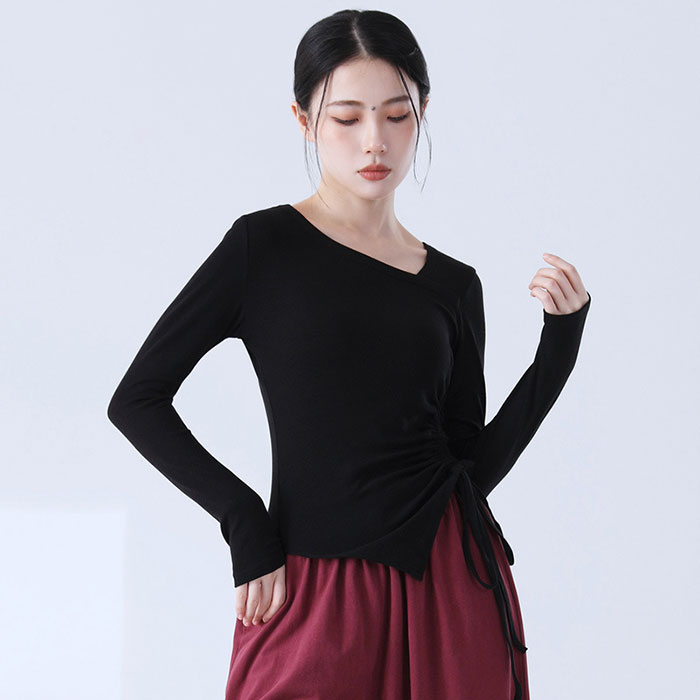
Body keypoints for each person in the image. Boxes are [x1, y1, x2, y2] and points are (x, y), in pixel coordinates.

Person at [107, 9, 591, 700]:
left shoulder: (454, 285)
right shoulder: (263, 248)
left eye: (397, 115)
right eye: (347, 118)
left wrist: (558, 348)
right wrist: (243, 520)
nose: (375, 141)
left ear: (422, 113)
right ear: (304, 120)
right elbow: (137, 400)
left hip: (449, 589)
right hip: (311, 587)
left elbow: (468, 470)